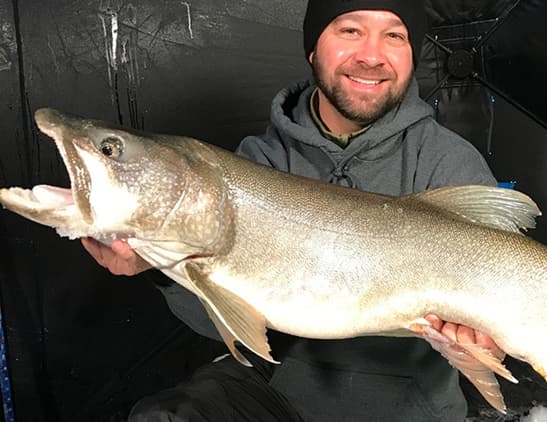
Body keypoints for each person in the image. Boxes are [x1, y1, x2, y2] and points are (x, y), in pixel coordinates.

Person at [82, 1, 500, 420]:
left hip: (411, 410)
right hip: (277, 397)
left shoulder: (451, 165)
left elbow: (507, 321)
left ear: (411, 54)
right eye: (350, 30)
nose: (372, 56)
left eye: (394, 35)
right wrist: (157, 265)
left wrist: (486, 343)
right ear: (313, 49)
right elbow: (223, 322)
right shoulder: (255, 162)